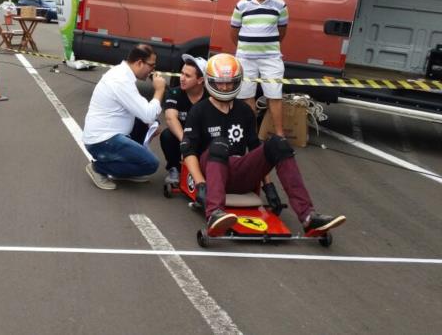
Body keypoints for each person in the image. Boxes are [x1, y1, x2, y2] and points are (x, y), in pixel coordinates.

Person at [180, 53, 346, 234]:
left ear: (238, 82)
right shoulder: (199, 110)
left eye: (230, 82)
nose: (226, 87)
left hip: (239, 171)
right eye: (221, 82)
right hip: (211, 172)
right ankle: (214, 214)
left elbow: (255, 148)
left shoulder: (245, 111)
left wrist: (268, 187)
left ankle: (308, 216)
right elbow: (188, 150)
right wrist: (201, 185)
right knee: (220, 144)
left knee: (278, 143)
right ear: (210, 81)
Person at [82, 44, 166, 190]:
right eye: (151, 66)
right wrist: (159, 90)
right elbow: (147, 114)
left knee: (151, 121)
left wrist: (153, 122)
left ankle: (126, 167)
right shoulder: (121, 81)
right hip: (103, 141)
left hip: (109, 135)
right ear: (139, 63)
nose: (153, 71)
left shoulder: (122, 73)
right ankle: (98, 168)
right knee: (151, 164)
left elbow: (142, 110)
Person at [230, 0, 288, 136]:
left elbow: (282, 31)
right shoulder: (241, 5)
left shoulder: (280, 4)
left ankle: (279, 135)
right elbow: (234, 32)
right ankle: (252, 135)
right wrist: (246, 49)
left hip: (271, 58)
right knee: (247, 96)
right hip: (246, 59)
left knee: (274, 95)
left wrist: (266, 47)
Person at [161, 54, 208, 185]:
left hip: (203, 140)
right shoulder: (174, 93)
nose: (182, 78)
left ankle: (206, 169)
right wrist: (186, 143)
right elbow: (170, 118)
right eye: (182, 73)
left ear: (200, 80)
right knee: (167, 135)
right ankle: (174, 168)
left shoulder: (210, 97)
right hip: (183, 140)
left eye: (187, 76)